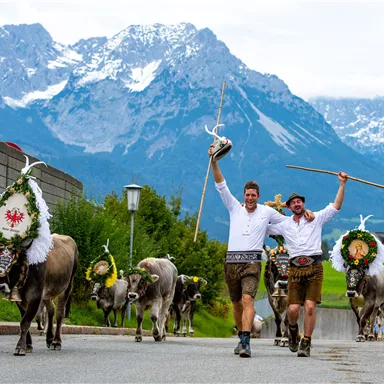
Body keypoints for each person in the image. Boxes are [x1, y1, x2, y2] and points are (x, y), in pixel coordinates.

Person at [208, 144, 312, 358]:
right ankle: (241, 336)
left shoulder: (266, 212)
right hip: (231, 262)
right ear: (243, 195)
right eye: (247, 194)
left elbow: (288, 222)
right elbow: (221, 184)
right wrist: (214, 161)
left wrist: (303, 211)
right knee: (236, 303)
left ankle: (246, 342)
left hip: (252, 263)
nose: (250, 198)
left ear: (258, 195)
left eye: (253, 195)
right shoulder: (234, 207)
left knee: (248, 300)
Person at [266, 171, 348, 357]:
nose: (297, 203)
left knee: (310, 307)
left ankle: (307, 342)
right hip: (294, 269)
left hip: (315, 268)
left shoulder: (316, 218)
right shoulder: (284, 224)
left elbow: (336, 206)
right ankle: (293, 331)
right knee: (293, 309)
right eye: (293, 202)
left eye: (300, 201)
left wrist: (342, 184)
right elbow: (263, 226)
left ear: (303, 204)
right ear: (288, 207)